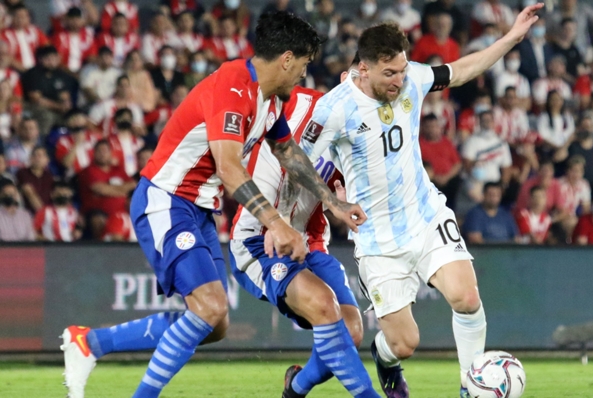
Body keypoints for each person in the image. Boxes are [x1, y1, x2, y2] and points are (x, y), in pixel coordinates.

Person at [62, 12, 369, 398]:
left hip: (199, 210)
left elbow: (289, 153)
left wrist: (332, 203)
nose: (304, 75)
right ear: (287, 58)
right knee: (208, 308)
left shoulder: (270, 100)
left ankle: (91, 343)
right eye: (305, 64)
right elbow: (228, 167)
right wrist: (275, 222)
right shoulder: (233, 87)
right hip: (166, 199)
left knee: (214, 322)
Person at [301, 5, 543, 397]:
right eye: (389, 73)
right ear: (363, 69)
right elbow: (296, 157)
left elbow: (462, 69)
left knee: (466, 298)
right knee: (404, 344)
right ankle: (386, 359)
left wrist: (512, 37)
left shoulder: (412, 77)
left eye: (402, 69)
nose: (400, 80)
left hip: (425, 214)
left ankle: (471, 385)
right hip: (378, 237)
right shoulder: (334, 108)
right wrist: (333, 202)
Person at [231, 80, 376, 397]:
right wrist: (272, 221)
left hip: (310, 244)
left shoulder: (362, 142)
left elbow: (348, 202)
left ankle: (295, 388)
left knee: (351, 331)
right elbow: (251, 161)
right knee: (325, 305)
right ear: (351, 78)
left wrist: (345, 199)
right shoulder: (294, 107)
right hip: (258, 240)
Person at [21, 46, 76, 136]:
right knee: (47, 116)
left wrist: (66, 104)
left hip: (56, 108)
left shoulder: (61, 74)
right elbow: (36, 99)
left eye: (54, 58)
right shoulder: (33, 74)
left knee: (75, 117)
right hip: (33, 107)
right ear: (41, 59)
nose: (52, 62)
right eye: (48, 59)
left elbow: (65, 95)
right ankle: (41, 142)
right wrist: (59, 106)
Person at [461, 110, 512, 203]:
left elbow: (507, 168)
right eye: (484, 120)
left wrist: (503, 186)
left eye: (489, 120)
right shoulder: (471, 141)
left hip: (494, 184)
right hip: (476, 184)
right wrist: (475, 170)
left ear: (493, 122)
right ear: (479, 122)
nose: (487, 123)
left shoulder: (501, 143)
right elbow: (467, 164)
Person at [78, 139, 136, 218]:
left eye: (105, 151)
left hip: (123, 214)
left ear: (111, 153)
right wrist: (124, 190)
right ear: (94, 153)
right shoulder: (89, 171)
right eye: (99, 151)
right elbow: (100, 189)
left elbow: (133, 185)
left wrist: (109, 188)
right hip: (98, 214)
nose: (102, 154)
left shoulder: (118, 169)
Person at [420, 113, 462, 210]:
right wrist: (435, 177)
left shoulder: (446, 142)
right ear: (423, 128)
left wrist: (446, 177)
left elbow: (457, 164)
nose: (432, 129)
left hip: (449, 180)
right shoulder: (419, 145)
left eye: (434, 126)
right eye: (428, 127)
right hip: (430, 182)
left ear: (439, 127)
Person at [0, 4, 50, 71]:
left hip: (37, 71)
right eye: (18, 16)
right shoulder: (4, 34)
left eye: (24, 16)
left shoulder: (35, 31)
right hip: (16, 71)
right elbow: (5, 57)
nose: (21, 19)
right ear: (11, 17)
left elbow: (47, 48)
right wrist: (25, 71)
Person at [55, 109, 102, 178]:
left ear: (85, 119)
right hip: (75, 177)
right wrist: (77, 143)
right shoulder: (63, 141)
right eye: (72, 118)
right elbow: (66, 164)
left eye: (79, 117)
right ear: (67, 122)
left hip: (97, 175)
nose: (76, 120)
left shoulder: (96, 137)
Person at [52, 7, 96, 74]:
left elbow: (92, 56)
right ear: (67, 20)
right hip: (64, 73)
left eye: (77, 19)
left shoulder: (88, 36)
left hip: (83, 72)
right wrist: (71, 73)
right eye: (72, 19)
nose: (75, 22)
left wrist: (83, 71)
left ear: (82, 20)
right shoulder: (59, 37)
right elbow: (57, 59)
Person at [16, 146, 55, 214]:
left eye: (40, 156)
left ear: (47, 159)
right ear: (30, 158)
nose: (37, 158)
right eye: (34, 155)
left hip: (47, 213)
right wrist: (43, 214)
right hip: (28, 213)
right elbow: (29, 192)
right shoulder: (23, 173)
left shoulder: (49, 176)